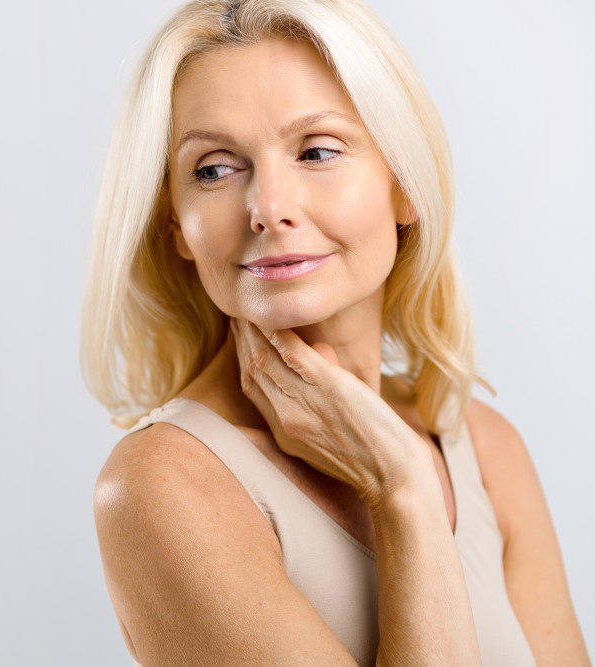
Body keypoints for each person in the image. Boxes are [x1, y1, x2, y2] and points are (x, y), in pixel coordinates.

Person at [81, 0, 590, 664]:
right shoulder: (162, 485)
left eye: (316, 150)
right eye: (213, 168)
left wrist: (401, 459)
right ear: (177, 223)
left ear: (403, 184)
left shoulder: (486, 449)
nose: (269, 208)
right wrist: (401, 486)